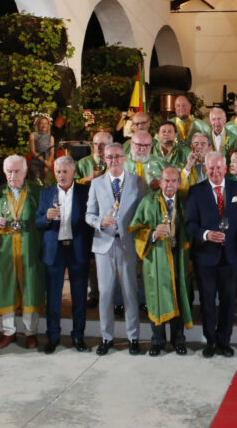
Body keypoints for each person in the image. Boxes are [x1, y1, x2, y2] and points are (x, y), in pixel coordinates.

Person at [86, 142, 146, 356]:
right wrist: (100, 221)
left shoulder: (137, 182)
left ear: (124, 158)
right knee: (105, 293)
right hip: (104, 244)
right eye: (109, 157)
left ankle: (133, 337)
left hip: (127, 243)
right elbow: (89, 215)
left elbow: (143, 212)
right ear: (105, 159)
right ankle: (107, 337)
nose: (113, 161)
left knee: (130, 292)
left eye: (117, 157)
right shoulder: (97, 184)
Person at [186, 152, 237, 358]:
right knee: (208, 302)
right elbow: (190, 224)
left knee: (229, 302)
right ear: (205, 168)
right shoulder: (196, 191)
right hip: (205, 257)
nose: (215, 172)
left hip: (231, 257)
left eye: (219, 167)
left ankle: (224, 341)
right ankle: (210, 341)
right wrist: (206, 234)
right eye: (211, 168)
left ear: (226, 167)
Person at [0, 155, 46, 349]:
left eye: (17, 171)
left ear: (26, 172)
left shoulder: (38, 192)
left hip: (30, 247)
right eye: (9, 171)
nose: (13, 175)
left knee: (31, 289)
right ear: (4, 172)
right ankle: (8, 332)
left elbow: (46, 218)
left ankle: (30, 332)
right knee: (5, 288)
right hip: (4, 250)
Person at [130, 167, 192, 356]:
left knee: (180, 297)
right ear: (159, 182)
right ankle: (157, 341)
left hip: (179, 257)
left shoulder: (186, 201)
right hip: (157, 258)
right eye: (166, 181)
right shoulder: (148, 202)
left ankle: (178, 340)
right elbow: (135, 228)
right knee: (156, 297)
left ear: (179, 183)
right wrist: (153, 234)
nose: (170, 185)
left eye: (174, 181)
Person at [36, 156, 93, 353]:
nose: (61, 175)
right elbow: (38, 223)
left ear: (73, 173)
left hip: (77, 250)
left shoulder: (85, 192)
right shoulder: (46, 193)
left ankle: (78, 336)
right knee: (53, 298)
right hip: (55, 251)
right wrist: (47, 218)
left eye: (65, 171)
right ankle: (53, 337)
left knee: (79, 297)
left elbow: (91, 221)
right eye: (58, 171)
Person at [29, 114, 55, 183]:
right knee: (36, 185)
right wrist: (44, 162)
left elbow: (52, 153)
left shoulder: (51, 137)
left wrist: (47, 165)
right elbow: (33, 152)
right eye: (41, 123)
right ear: (38, 124)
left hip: (47, 164)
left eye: (46, 124)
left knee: (48, 184)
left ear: (48, 125)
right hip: (36, 164)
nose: (44, 125)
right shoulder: (33, 135)